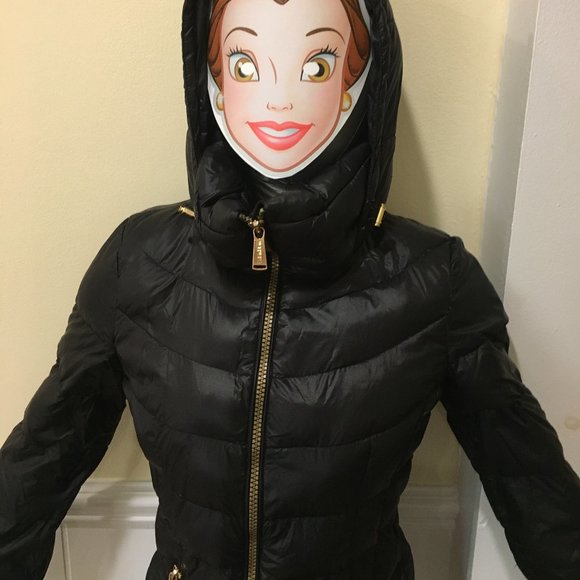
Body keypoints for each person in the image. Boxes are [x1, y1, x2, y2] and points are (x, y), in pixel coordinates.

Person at [1, 1, 579, 579]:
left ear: (359, 80)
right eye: (246, 64)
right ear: (213, 81)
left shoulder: (432, 279)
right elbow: (46, 452)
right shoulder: (139, 261)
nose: (279, 100)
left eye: (317, 65)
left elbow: (533, 485)